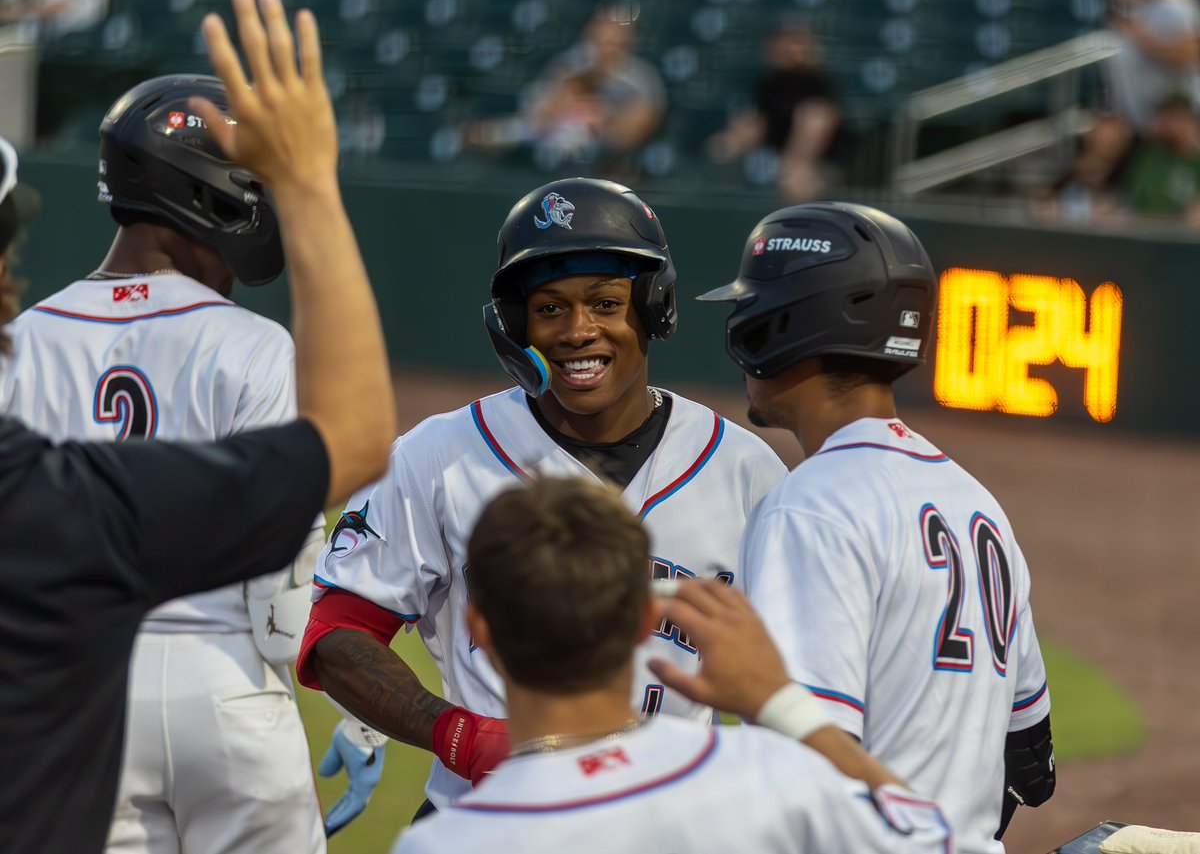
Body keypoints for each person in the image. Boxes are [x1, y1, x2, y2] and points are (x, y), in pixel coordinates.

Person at [0, 0, 395, 854]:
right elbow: (287, 572)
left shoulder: (20, 337)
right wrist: (349, 707)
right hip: (225, 682)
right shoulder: (252, 342)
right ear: (204, 192)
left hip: (77, 690)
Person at [297, 176, 787, 822]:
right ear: (515, 324)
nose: (579, 330)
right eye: (550, 308)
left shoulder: (743, 469)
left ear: (653, 306)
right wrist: (458, 736)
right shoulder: (440, 454)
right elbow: (337, 634)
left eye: (607, 304)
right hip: (484, 820)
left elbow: (793, 672)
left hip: (664, 828)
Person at [698, 202, 1056, 852]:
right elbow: (1031, 753)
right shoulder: (978, 503)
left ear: (776, 327)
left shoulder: (808, 507)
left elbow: (801, 766)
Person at [395, 477, 952, 853]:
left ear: (479, 629)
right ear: (644, 620)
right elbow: (933, 839)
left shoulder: (444, 843)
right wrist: (779, 703)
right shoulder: (759, 776)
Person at [1064, 0, 1200, 204]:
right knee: (1103, 145)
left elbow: (1192, 53)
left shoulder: (1172, 6)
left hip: (1176, 110)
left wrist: (1144, 39)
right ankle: (1076, 205)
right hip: (1136, 111)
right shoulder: (1130, 11)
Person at [463, 7, 665, 173]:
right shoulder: (569, 65)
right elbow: (538, 117)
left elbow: (638, 130)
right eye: (600, 40)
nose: (607, 48)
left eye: (614, 43)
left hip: (601, 148)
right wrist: (572, 89)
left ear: (628, 43)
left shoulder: (640, 77)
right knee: (503, 132)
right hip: (551, 134)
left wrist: (602, 119)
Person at [708, 22, 842, 203]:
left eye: (799, 44)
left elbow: (823, 122)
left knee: (812, 123)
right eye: (788, 44)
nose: (793, 51)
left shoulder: (819, 84)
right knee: (722, 146)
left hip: (816, 165)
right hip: (769, 155)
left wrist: (792, 165)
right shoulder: (768, 83)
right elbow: (754, 122)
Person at [1126, 93, 1200, 222]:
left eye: (1180, 118)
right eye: (1168, 118)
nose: (1174, 126)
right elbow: (1141, 204)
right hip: (1155, 231)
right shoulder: (1150, 158)